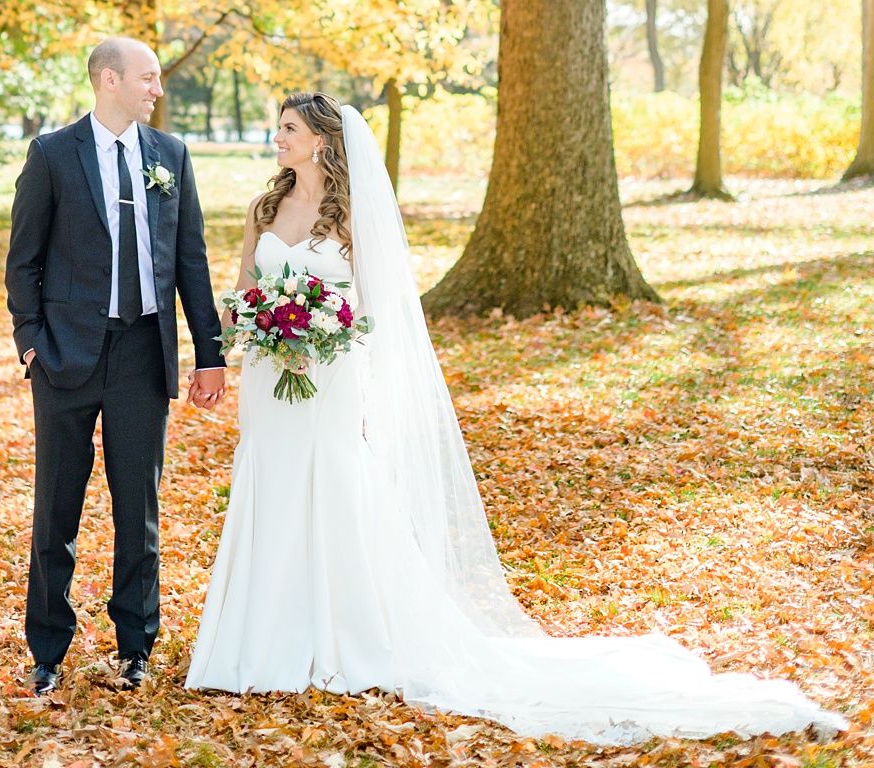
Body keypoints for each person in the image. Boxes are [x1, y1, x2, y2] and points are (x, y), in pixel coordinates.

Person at [187, 93, 842, 743]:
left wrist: (325, 332)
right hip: (271, 378)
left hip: (329, 378)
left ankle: (341, 634)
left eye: (289, 129)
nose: (278, 138)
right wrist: (225, 347)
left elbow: (374, 305)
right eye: (278, 129)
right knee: (269, 484)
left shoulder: (354, 215)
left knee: (332, 485)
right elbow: (243, 287)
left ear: (321, 141)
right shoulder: (264, 208)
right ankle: (261, 634)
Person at [3, 36, 226, 695]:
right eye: (147, 78)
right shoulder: (51, 155)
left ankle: (137, 647)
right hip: (65, 355)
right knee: (56, 511)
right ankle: (47, 652)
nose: (156, 89)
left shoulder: (169, 156)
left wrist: (208, 354)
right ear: (108, 81)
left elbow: (191, 262)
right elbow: (24, 260)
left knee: (140, 511)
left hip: (142, 353)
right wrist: (30, 340)